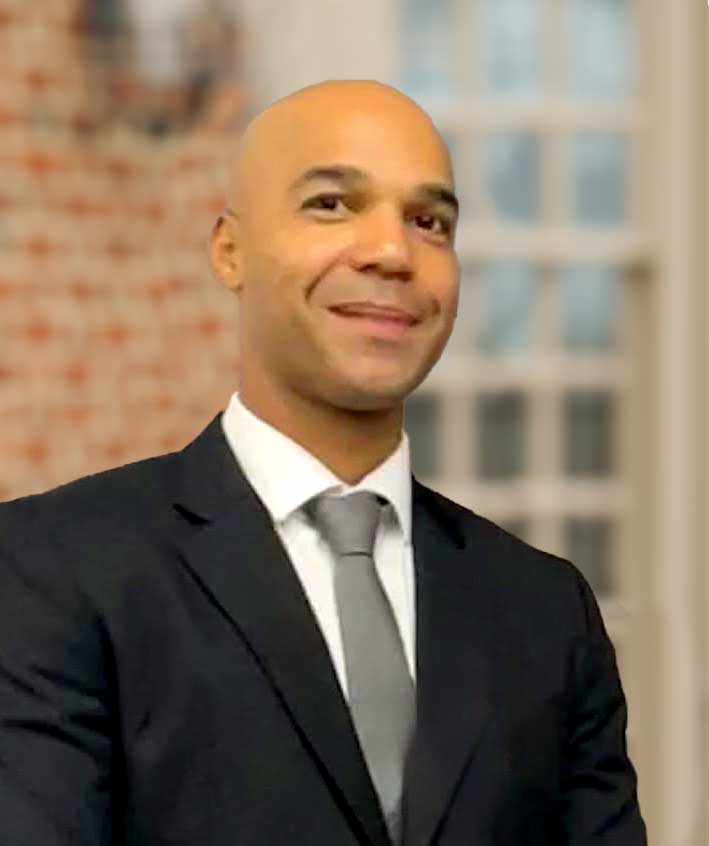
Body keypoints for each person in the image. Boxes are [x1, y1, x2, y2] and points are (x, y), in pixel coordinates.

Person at [0, 80, 646, 845]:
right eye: (331, 204)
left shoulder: (545, 612)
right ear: (229, 250)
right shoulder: (51, 568)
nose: (391, 252)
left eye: (428, 221)